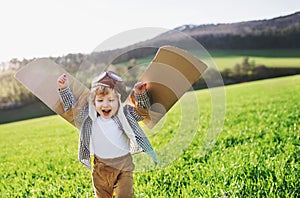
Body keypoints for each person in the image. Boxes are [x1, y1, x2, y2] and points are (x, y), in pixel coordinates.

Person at [57, 71, 158, 198]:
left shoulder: (125, 114)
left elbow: (142, 113)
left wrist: (140, 94)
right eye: (100, 100)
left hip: (123, 167)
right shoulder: (89, 116)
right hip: (100, 169)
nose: (105, 104)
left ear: (119, 100)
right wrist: (64, 88)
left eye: (111, 100)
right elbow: (73, 109)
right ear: (93, 101)